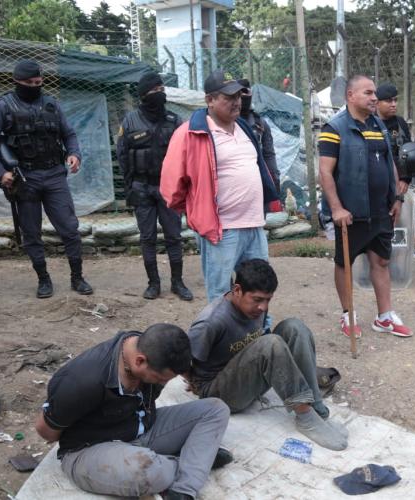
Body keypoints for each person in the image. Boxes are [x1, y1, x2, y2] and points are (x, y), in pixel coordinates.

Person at [33, 323, 231, 500]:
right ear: (140, 361)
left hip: (140, 426)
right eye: (160, 379)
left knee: (215, 410)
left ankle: (182, 490)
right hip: (89, 449)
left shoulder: (145, 346)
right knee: (148, 472)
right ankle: (194, 461)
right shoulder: (82, 381)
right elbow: (46, 431)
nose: (163, 383)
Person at [186, 259, 348, 451]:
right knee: (271, 343)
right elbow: (182, 358)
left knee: (294, 328)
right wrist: (194, 382)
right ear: (237, 290)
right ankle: (305, 417)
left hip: (247, 377)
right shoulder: (211, 321)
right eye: (257, 300)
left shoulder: (257, 308)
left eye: (267, 300)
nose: (263, 307)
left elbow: (262, 339)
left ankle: (316, 408)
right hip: (220, 394)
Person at [160, 69, 280, 303]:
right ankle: (222, 329)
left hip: (254, 225)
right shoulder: (190, 133)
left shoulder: (244, 127)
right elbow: (171, 185)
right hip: (222, 229)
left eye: (238, 96)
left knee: (259, 289)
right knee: (220, 294)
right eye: (228, 97)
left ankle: (259, 327)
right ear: (210, 100)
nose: (236, 102)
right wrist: (197, 210)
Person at [0, 59, 92, 299]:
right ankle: (43, 279)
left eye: (38, 82)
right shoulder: (2, 106)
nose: (34, 86)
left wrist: (74, 154)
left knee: (70, 229)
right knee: (31, 233)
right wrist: (1, 171)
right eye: (29, 83)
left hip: (54, 176)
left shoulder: (52, 104)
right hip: (25, 178)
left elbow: (69, 134)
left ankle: (77, 277)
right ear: (17, 81)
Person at [318, 75, 412, 338]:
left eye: (374, 93)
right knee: (345, 263)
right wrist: (336, 208)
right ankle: (348, 315)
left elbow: (389, 162)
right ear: (350, 95)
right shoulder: (334, 128)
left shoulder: (379, 125)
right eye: (368, 93)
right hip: (351, 212)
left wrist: (396, 198)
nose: (374, 98)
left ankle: (384, 317)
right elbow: (325, 172)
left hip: (381, 210)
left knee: (381, 260)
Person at [117, 72, 193, 301]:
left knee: (174, 236)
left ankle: (178, 283)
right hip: (141, 188)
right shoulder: (130, 121)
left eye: (162, 90)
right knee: (147, 237)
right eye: (155, 90)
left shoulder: (174, 121)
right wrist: (130, 186)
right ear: (143, 95)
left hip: (168, 189)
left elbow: (186, 155)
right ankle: (153, 284)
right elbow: (122, 156)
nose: (160, 94)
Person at [238, 79, 281, 191]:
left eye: (246, 91)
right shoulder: (227, 123)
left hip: (258, 179)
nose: (243, 95)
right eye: (240, 93)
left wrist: (274, 178)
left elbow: (269, 154)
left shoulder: (260, 123)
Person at [375, 83, 413, 194]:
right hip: (376, 181)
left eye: (395, 100)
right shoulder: (369, 122)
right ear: (377, 103)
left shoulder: (400, 123)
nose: (393, 104)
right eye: (388, 101)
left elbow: (409, 152)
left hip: (398, 183)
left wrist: (406, 179)